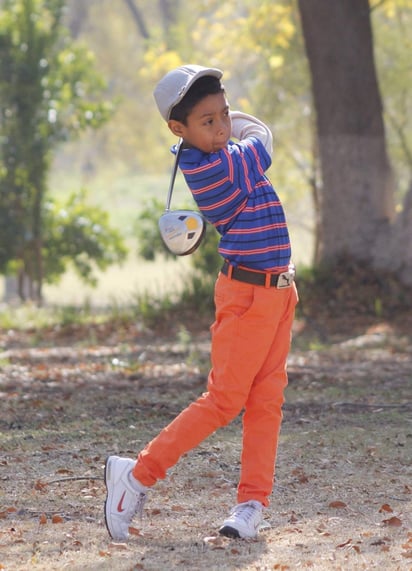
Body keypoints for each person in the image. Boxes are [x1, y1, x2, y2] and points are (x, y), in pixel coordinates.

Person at [104, 64, 298, 542]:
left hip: (278, 291)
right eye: (207, 121)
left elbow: (250, 133)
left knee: (266, 401)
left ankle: (251, 504)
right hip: (247, 295)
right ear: (179, 129)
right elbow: (264, 139)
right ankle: (137, 475)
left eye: (224, 115)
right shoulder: (210, 167)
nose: (221, 129)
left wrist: (224, 116)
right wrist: (238, 128)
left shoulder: (223, 147)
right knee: (225, 400)